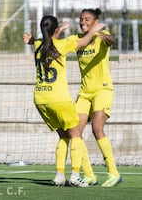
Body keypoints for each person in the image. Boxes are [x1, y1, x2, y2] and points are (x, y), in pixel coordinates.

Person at [23, 15, 106, 187]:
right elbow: (83, 43)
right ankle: (75, 175)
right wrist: (94, 30)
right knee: (76, 135)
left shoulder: (38, 45)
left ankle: (59, 175)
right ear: (55, 30)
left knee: (62, 135)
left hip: (40, 99)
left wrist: (50, 32)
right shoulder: (62, 44)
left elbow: (41, 40)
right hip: (58, 99)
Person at [73, 8, 122, 187]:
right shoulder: (79, 39)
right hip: (84, 92)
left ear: (95, 21)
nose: (83, 22)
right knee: (75, 132)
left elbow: (112, 40)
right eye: (81, 19)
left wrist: (105, 36)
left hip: (102, 90)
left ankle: (113, 173)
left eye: (87, 19)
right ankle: (89, 175)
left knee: (96, 129)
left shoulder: (102, 36)